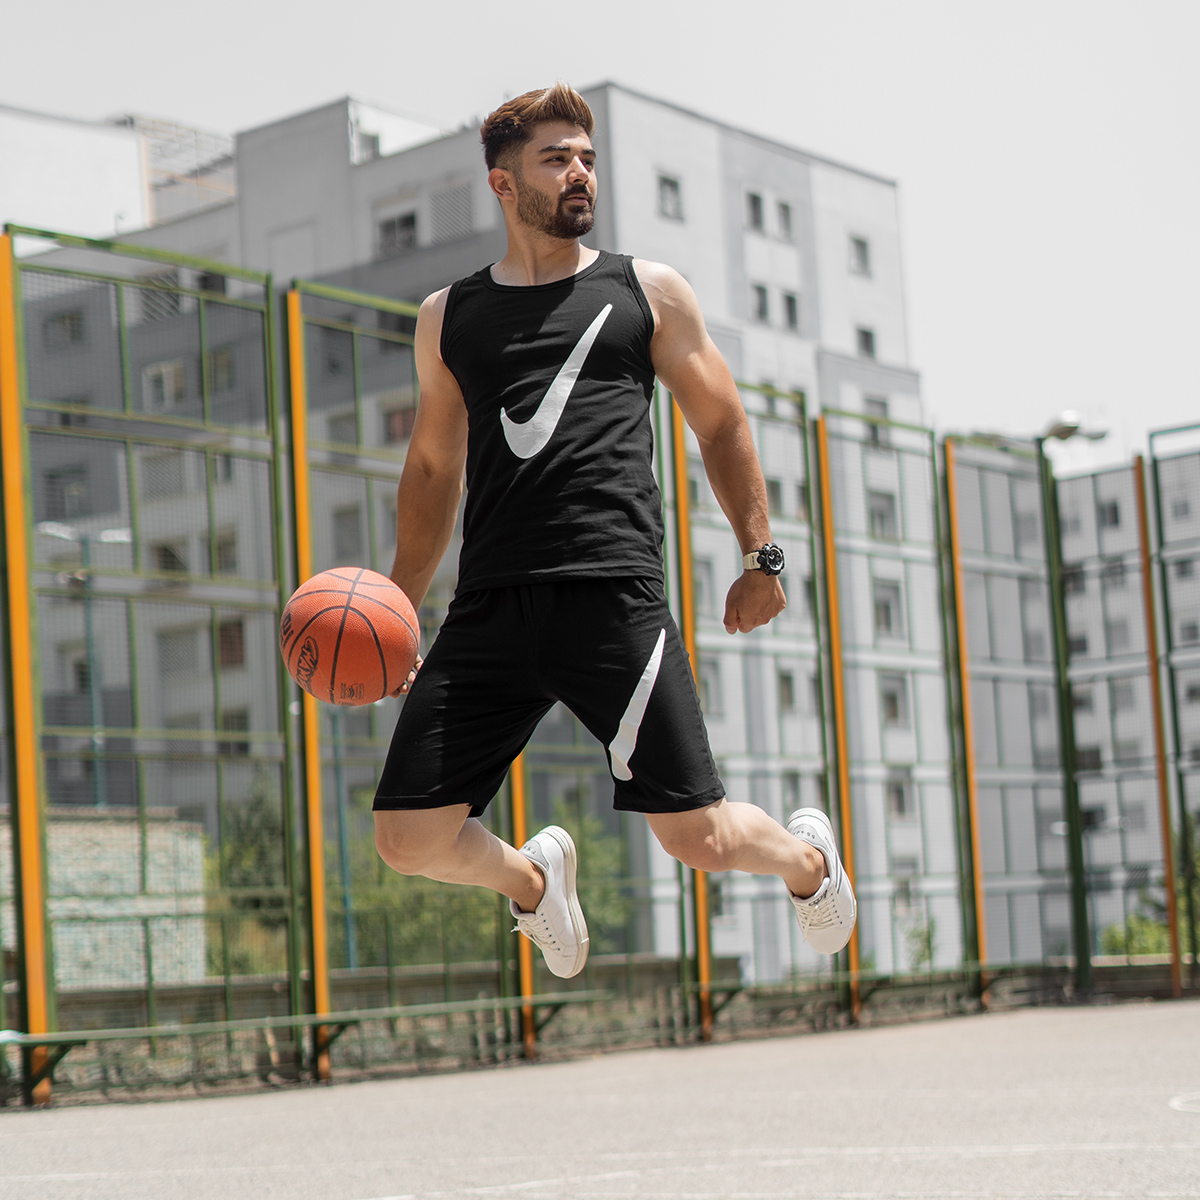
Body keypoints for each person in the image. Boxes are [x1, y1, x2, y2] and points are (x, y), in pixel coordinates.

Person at [373, 83, 855, 978]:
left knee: (701, 839)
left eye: (587, 158)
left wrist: (761, 557)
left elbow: (721, 419)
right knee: (407, 837)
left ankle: (808, 864)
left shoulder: (646, 291)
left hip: (613, 599)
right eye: (556, 158)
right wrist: (398, 609)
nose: (580, 173)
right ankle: (533, 882)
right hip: (491, 607)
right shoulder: (448, 316)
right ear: (503, 183)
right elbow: (434, 469)